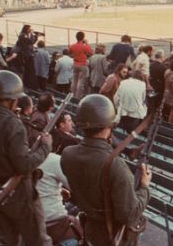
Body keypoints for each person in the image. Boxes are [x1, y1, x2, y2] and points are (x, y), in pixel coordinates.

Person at [0, 70, 52, 245]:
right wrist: (45, 147)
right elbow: (25, 165)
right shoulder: (13, 124)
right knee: (38, 240)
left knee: (9, 240)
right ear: (11, 99)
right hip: (19, 194)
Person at [60, 94, 151, 246]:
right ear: (109, 126)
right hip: (113, 237)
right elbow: (129, 215)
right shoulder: (116, 166)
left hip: (90, 230)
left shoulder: (68, 154)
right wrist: (145, 187)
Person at [69, 31, 93, 99]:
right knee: (81, 81)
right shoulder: (84, 46)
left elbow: (70, 52)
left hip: (75, 64)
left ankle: (72, 94)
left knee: (74, 80)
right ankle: (77, 97)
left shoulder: (72, 45)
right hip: (82, 64)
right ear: (83, 38)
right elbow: (91, 52)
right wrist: (86, 43)